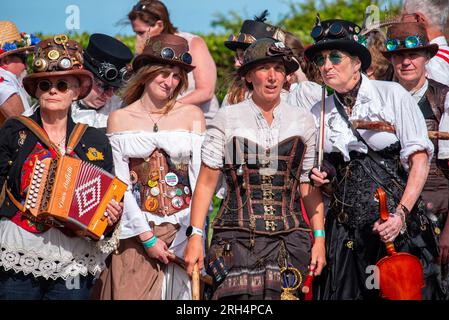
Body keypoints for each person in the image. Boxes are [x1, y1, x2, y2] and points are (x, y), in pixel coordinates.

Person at [305, 18, 440, 300]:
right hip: (344, 232)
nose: (326, 65)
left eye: (335, 57)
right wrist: (324, 176)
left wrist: (400, 214)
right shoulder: (319, 110)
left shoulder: (391, 95)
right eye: (321, 59)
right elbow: (326, 172)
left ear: (356, 62)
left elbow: (419, 161)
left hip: (393, 226)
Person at [184, 38, 326, 300]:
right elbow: (206, 183)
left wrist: (319, 238)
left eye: (279, 69)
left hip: (291, 240)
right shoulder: (228, 118)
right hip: (236, 240)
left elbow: (308, 186)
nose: (272, 77)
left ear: (287, 76)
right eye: (264, 69)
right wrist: (195, 236)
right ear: (249, 75)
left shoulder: (304, 120)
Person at [0, 35, 123, 299]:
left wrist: (111, 216)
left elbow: (107, 200)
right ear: (36, 91)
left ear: (77, 90)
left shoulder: (95, 139)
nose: (53, 90)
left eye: (62, 84)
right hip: (21, 248)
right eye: (45, 84)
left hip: (74, 257)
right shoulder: (16, 129)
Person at [92, 33, 205, 300]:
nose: (170, 82)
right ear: (146, 73)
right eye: (164, 74)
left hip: (184, 230)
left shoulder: (192, 116)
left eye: (177, 76)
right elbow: (121, 185)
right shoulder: (119, 119)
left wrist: (194, 233)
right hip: (135, 234)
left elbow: (201, 180)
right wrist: (148, 238)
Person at [383, 21, 449, 299]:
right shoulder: (379, 98)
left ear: (427, 57)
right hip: (389, 221)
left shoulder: (444, 98)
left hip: (437, 218)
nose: (406, 61)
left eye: (413, 54)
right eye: (398, 56)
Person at [128, 0, 219, 123]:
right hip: (160, 120)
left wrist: (166, 108)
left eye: (141, 33)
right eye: (136, 32)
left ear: (159, 25)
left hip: (201, 121)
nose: (138, 38)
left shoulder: (193, 43)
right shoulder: (147, 48)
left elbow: (206, 91)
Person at [71, 33, 133, 130]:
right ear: (83, 77)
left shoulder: (122, 110)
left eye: (115, 89)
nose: (108, 95)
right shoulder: (62, 104)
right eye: (102, 86)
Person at [402, 0, 449, 86]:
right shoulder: (442, 58)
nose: (401, 23)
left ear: (418, 18)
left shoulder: (431, 64)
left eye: (404, 17)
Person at [0, 21, 40, 120]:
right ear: (5, 61)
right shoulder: (2, 82)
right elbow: (22, 123)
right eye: (23, 58)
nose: (26, 66)